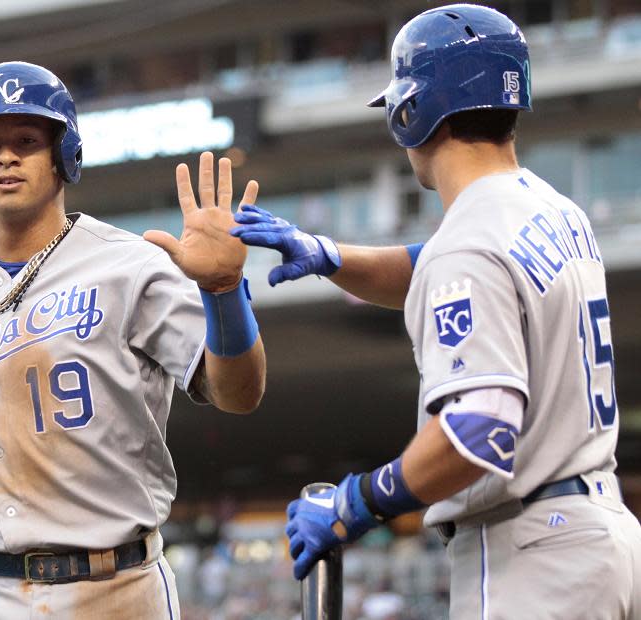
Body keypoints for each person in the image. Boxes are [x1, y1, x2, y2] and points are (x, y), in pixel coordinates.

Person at [231, 5, 641, 618]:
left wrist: (356, 503)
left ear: (410, 112)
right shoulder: (552, 208)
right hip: (598, 537)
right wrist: (328, 254)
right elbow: (436, 265)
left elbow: (482, 430)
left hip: (533, 557)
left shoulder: (470, 240)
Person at [0, 61, 266, 619]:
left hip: (114, 585)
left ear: (65, 156)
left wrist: (224, 290)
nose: (6, 156)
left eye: (26, 140)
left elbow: (239, 394)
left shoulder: (127, 265)